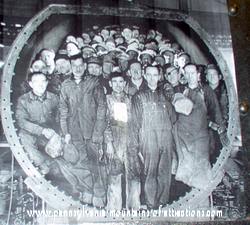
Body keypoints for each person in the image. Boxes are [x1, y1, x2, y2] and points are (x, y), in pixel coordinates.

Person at [59, 54, 107, 207]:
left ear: (85, 66)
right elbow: (63, 110)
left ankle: (99, 195)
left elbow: (102, 108)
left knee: (96, 165)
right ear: (71, 67)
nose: (78, 69)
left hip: (92, 131)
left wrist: (98, 132)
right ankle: (88, 191)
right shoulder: (66, 85)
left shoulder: (94, 83)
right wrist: (66, 132)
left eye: (81, 65)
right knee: (81, 164)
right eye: (75, 66)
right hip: (75, 132)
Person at [174, 63, 228, 190]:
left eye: (192, 73)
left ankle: (203, 201)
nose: (190, 76)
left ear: (198, 75)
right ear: (184, 75)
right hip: (183, 138)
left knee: (202, 171)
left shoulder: (206, 90)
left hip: (200, 137)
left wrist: (221, 130)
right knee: (186, 171)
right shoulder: (181, 90)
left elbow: (215, 110)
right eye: (186, 73)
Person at [129, 65, 176, 209]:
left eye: (154, 75)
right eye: (148, 74)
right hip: (148, 139)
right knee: (150, 172)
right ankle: (150, 204)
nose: (151, 78)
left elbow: (173, 118)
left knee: (164, 172)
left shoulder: (165, 95)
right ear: (144, 75)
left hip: (165, 138)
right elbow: (135, 123)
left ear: (159, 76)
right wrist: (135, 146)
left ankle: (162, 203)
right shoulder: (138, 96)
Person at [104, 72, 140, 210]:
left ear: (125, 84)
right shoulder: (106, 100)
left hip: (130, 139)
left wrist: (137, 143)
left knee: (134, 174)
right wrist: (108, 143)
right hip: (115, 138)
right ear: (110, 84)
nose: (118, 85)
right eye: (115, 82)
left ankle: (134, 209)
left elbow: (136, 122)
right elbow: (104, 123)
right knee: (114, 174)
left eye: (121, 82)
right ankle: (114, 209)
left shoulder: (131, 100)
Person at [16, 72, 59, 174]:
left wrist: (57, 133)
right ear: (31, 84)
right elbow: (22, 121)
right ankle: (42, 165)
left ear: (47, 83)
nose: (40, 85)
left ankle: (55, 166)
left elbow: (60, 117)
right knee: (23, 135)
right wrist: (42, 131)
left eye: (43, 81)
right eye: (36, 82)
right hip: (32, 132)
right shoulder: (23, 100)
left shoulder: (54, 98)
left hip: (50, 132)